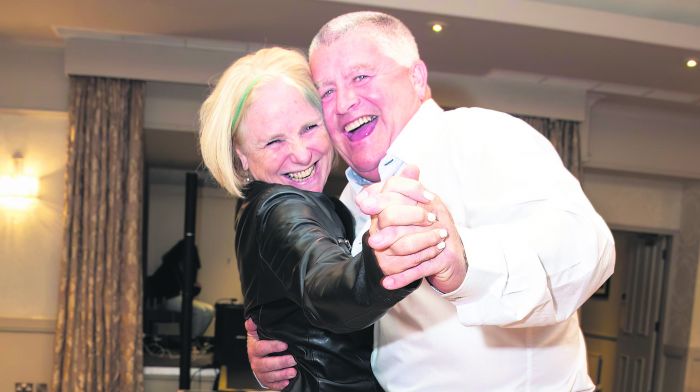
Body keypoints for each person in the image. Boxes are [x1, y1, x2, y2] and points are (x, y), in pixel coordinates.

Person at [246, 11, 616, 391]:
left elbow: (588, 248)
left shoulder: (484, 136)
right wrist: (284, 350)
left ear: (417, 77)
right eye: (327, 91)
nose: (343, 103)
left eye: (361, 77)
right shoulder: (346, 202)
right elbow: (355, 324)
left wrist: (465, 263)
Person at [198, 47, 447, 391]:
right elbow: (325, 286)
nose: (301, 154)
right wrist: (383, 266)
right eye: (274, 141)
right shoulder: (279, 206)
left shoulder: (336, 201)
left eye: (309, 127)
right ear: (241, 158)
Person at [145, 238, 214, 339]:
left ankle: (194, 339)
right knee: (200, 312)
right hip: (169, 299)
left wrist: (195, 288)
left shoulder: (187, 270)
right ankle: (191, 340)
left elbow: (188, 293)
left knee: (209, 310)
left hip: (180, 299)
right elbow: (160, 288)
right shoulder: (168, 268)